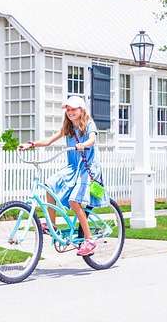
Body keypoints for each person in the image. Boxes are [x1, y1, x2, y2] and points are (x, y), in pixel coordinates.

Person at [18, 96, 108, 256]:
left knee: (74, 201)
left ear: (81, 110)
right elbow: (49, 141)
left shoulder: (89, 124)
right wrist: (31, 144)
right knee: (49, 184)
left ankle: (89, 240)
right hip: (73, 167)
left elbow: (92, 139)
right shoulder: (68, 127)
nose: (70, 112)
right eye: (68, 110)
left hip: (87, 168)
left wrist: (83, 144)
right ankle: (52, 225)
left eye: (73, 109)